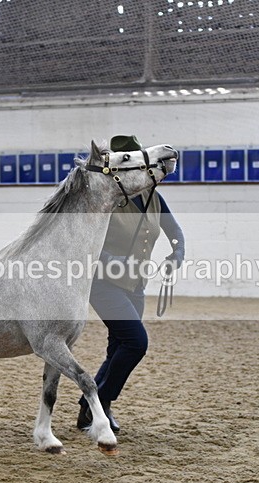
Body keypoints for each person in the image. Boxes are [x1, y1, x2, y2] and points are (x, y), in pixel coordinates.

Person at [77, 134, 185, 434]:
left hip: (136, 285)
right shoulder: (106, 201)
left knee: (119, 346)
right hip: (103, 284)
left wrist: (176, 253)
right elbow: (90, 246)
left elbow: (175, 231)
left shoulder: (153, 196)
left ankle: (89, 407)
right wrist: (118, 262)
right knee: (136, 342)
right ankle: (103, 402)